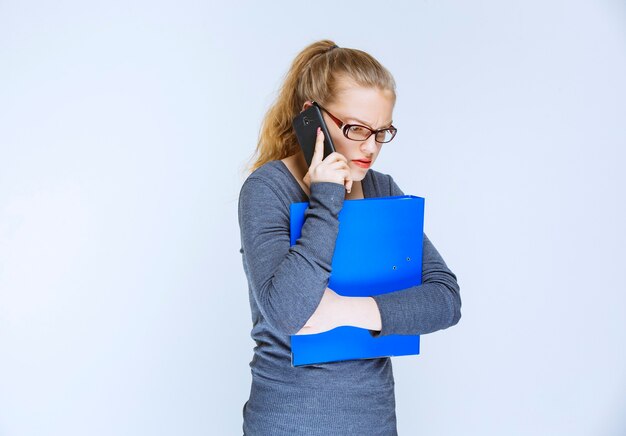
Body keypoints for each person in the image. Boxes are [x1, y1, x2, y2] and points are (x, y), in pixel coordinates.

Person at [238, 39, 462, 436]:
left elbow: (445, 300)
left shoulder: (383, 189)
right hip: (287, 424)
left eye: (382, 131)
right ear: (314, 120)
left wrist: (343, 310)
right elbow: (289, 313)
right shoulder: (267, 189)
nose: (370, 147)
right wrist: (327, 198)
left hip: (373, 423)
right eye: (356, 128)